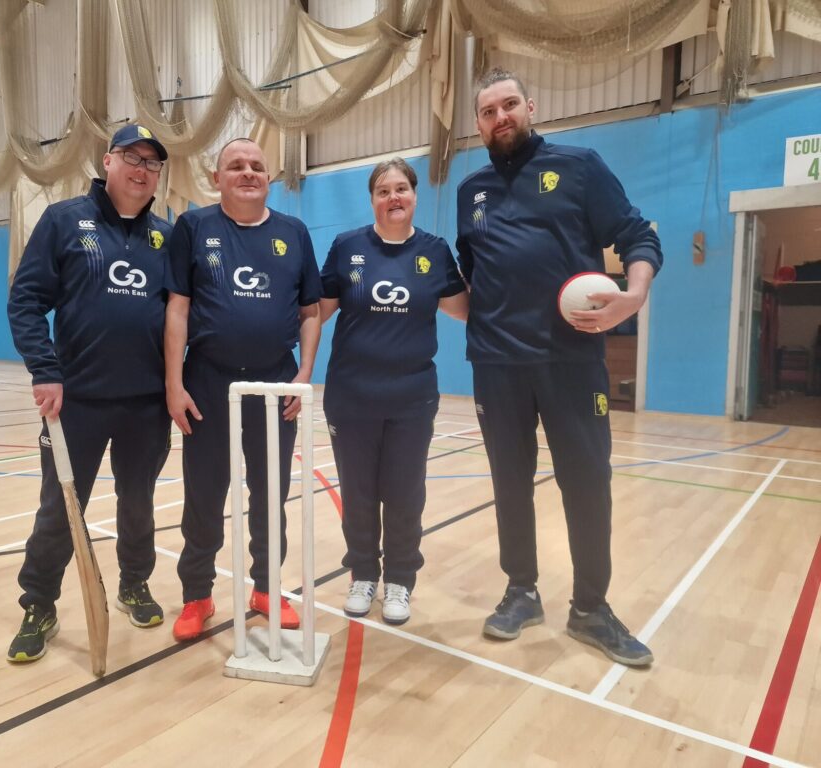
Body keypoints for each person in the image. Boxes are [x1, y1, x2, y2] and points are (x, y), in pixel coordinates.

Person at [456, 68, 662, 666]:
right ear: (478, 124)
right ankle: (521, 591)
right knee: (509, 482)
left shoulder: (580, 166)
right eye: (489, 111)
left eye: (510, 105)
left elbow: (637, 235)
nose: (501, 117)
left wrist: (633, 295)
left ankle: (591, 608)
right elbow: (473, 271)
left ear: (531, 106)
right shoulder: (471, 190)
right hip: (496, 364)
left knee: (588, 482)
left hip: (571, 361)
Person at [5, 124, 174, 663]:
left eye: (152, 162)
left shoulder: (167, 237)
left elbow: (182, 316)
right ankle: (39, 604)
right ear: (108, 161)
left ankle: (134, 584)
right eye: (132, 157)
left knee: (139, 501)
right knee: (59, 507)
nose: (141, 169)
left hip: (146, 404)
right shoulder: (64, 221)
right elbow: (26, 300)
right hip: (75, 401)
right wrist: (45, 369)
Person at [164, 137, 322, 641]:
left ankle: (266, 588)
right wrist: (174, 383)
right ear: (217, 178)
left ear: (269, 178)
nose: (248, 173)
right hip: (208, 381)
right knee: (204, 496)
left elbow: (311, 313)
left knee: (269, 494)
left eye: (257, 166)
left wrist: (303, 374)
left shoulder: (294, 233)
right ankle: (197, 595)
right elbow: (178, 310)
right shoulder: (194, 227)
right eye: (235, 166)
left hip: (275, 381)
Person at [320, 157, 467, 625]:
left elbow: (465, 309)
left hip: (411, 398)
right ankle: (363, 573)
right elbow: (316, 311)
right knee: (359, 492)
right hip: (351, 395)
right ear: (373, 200)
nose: (393, 198)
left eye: (401, 189)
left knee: (405, 493)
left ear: (415, 195)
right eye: (383, 191)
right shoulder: (346, 248)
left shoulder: (435, 251)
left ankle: (400, 579)